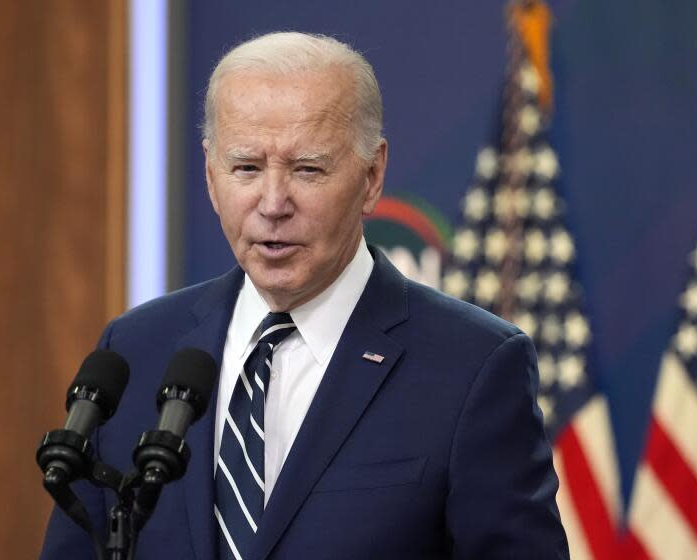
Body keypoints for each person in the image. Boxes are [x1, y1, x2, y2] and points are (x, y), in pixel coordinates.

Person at [41, 31, 568, 559]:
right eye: (246, 168)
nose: (272, 203)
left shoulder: (472, 367)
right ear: (209, 174)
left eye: (307, 169)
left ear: (372, 175)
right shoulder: (136, 350)